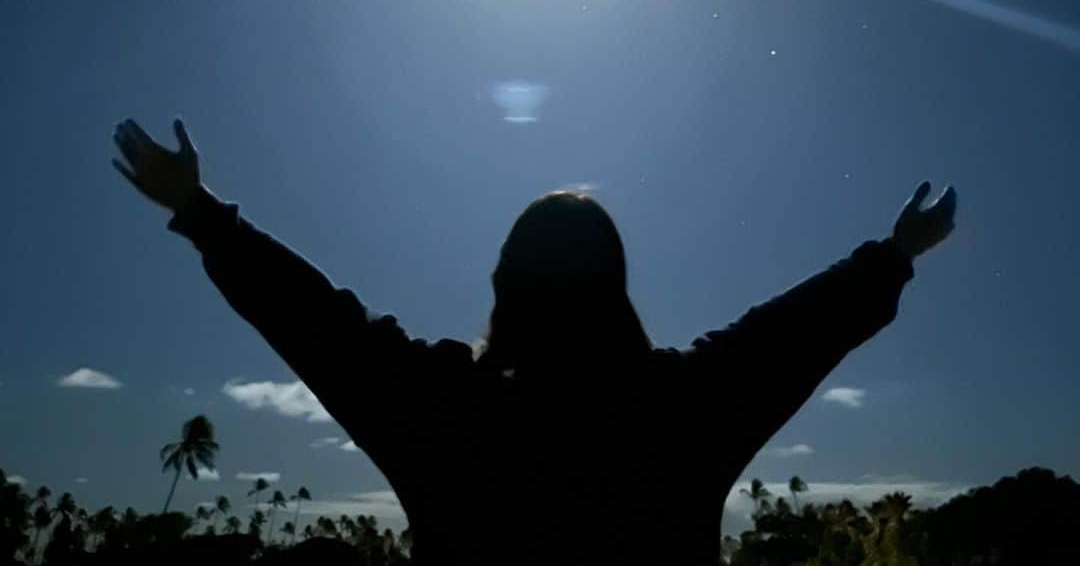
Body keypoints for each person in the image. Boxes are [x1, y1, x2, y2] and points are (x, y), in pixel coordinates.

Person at [112, 118, 957, 566]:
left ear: (503, 287)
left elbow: (322, 325)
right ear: (616, 289)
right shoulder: (683, 409)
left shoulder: (446, 413)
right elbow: (791, 334)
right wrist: (894, 254)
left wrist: (201, 213)